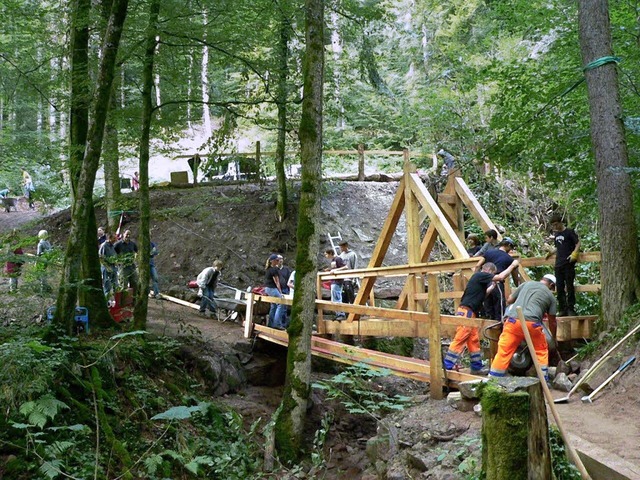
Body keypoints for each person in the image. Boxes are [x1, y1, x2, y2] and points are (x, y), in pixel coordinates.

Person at [443, 261, 519, 374]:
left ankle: (476, 367)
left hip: (471, 313)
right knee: (461, 337)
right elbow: (501, 276)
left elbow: (483, 296)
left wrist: (492, 286)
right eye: (492, 274)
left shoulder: (479, 282)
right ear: (488, 271)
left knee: (473, 340)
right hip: (466, 312)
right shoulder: (480, 275)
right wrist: (512, 265)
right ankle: (446, 366)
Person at [488, 274, 557, 381]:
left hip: (512, 321)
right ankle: (543, 381)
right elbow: (552, 322)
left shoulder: (527, 284)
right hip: (532, 324)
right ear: (551, 285)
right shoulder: (551, 296)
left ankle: (492, 380)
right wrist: (554, 337)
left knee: (504, 350)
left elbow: (510, 300)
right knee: (540, 350)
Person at [475, 237, 520, 321]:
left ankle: (487, 330)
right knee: (499, 309)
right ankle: (498, 329)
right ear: (508, 245)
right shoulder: (509, 259)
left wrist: (476, 279)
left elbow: (478, 265)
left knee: (487, 308)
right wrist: (519, 287)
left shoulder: (488, 252)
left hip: (485, 282)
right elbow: (515, 277)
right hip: (497, 283)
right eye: (511, 247)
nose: (511, 250)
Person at [547, 215, 580, 316]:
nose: (555, 227)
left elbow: (578, 243)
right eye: (553, 225)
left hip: (568, 263)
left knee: (569, 286)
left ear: (561, 222)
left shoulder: (569, 232)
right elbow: (559, 247)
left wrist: (574, 253)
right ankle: (563, 309)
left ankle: (571, 308)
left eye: (556, 224)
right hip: (558, 264)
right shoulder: (556, 235)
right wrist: (551, 252)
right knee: (559, 287)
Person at [264, 254, 287, 328]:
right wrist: (280, 292)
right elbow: (277, 282)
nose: (278, 261)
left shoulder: (268, 269)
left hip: (267, 289)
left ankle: (271, 324)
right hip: (272, 289)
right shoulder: (274, 270)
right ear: (272, 261)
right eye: (277, 260)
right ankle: (277, 324)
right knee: (281, 303)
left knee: (273, 305)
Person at [324, 248, 347, 319]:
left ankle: (341, 314)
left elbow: (345, 267)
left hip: (337, 281)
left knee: (337, 297)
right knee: (334, 298)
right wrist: (330, 270)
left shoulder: (338, 259)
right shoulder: (333, 261)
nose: (325, 256)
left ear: (330, 253)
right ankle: (337, 314)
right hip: (333, 281)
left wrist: (335, 270)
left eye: (326, 254)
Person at [99, 232, 118, 298]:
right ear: (109, 238)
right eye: (114, 238)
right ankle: (106, 301)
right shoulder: (104, 245)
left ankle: (115, 302)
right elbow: (101, 257)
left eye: (116, 238)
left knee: (115, 284)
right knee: (107, 286)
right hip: (106, 268)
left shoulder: (112, 246)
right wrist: (107, 267)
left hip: (113, 267)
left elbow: (114, 256)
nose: (115, 240)